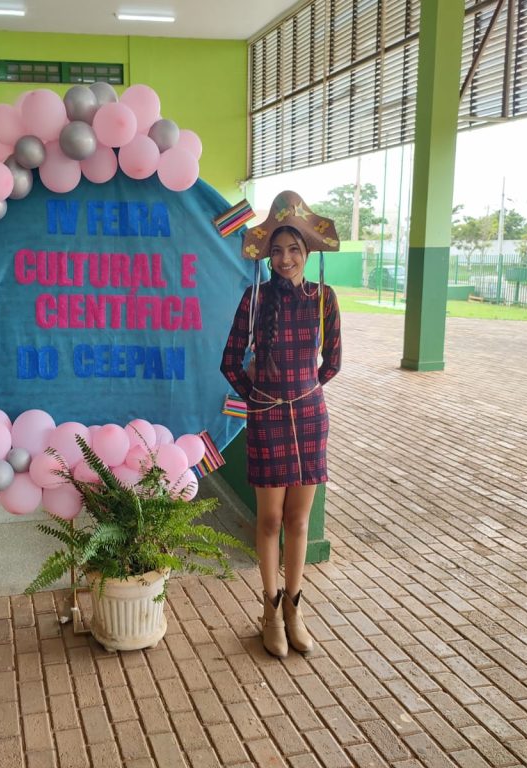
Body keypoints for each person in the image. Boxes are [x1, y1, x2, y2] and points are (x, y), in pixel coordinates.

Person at [220, 190, 342, 659]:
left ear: (307, 253)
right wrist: (258, 398)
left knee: (299, 520)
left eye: (294, 249)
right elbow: (230, 362)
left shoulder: (323, 299)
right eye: (277, 250)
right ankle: (268, 611)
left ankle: (295, 611)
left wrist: (304, 391)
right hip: (266, 421)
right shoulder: (254, 300)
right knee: (269, 519)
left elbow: (331, 363)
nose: (286, 258)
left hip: (310, 420)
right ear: (267, 255)